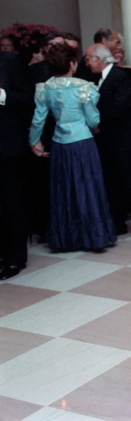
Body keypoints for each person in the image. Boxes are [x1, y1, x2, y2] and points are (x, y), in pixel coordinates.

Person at [29, 44, 116, 252]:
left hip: (60, 143)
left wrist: (34, 141)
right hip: (82, 142)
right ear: (72, 63)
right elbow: (93, 119)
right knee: (87, 188)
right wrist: (94, 126)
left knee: (65, 190)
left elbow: (38, 119)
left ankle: (67, 238)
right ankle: (94, 237)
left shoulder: (45, 88)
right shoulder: (83, 87)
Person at [86, 44, 131, 239]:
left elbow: (120, 107)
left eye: (89, 59)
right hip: (109, 140)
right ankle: (118, 223)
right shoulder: (97, 78)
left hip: (123, 140)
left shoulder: (119, 77)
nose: (87, 64)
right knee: (113, 183)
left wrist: (98, 122)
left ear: (99, 59)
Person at [0, 47, 34, 279]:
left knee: (12, 203)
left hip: (7, 146)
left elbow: (28, 98)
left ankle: (16, 257)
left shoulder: (9, 61)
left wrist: (3, 97)